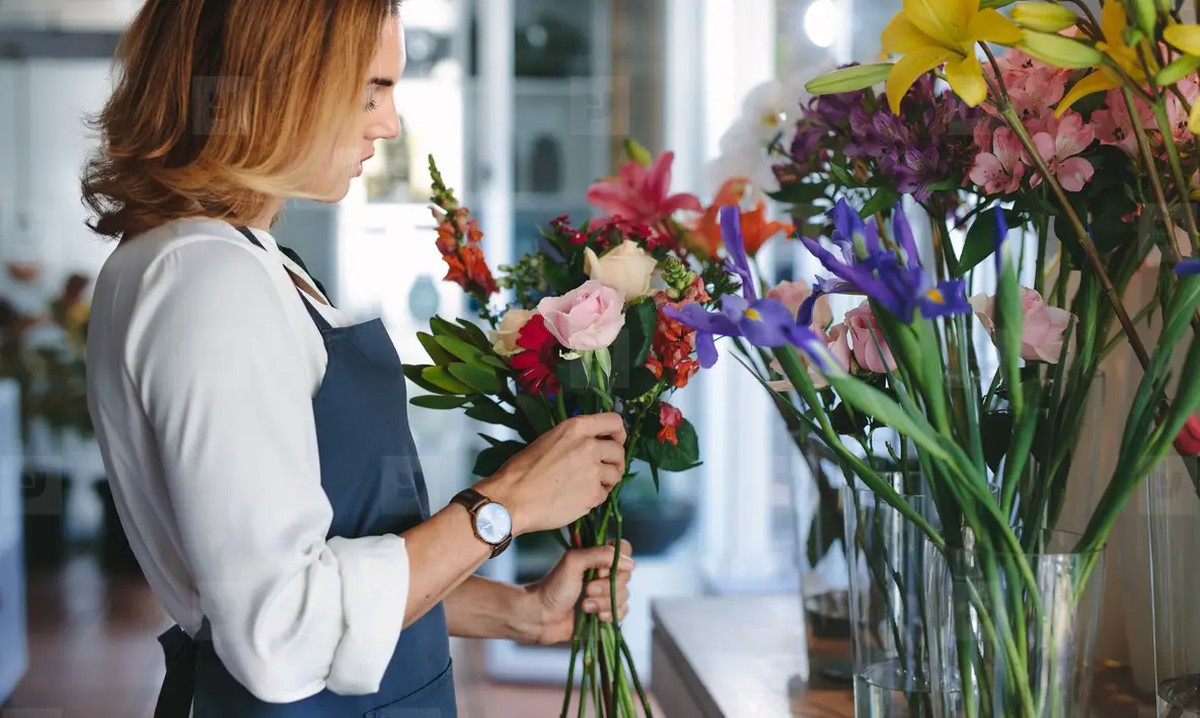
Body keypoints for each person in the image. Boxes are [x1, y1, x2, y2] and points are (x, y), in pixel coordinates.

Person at [79, 2, 633, 716]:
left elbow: (328, 571)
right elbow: (281, 629)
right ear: (272, 81)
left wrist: (521, 612)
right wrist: (506, 505)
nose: (388, 124)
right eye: (371, 90)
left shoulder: (238, 261)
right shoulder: (206, 281)